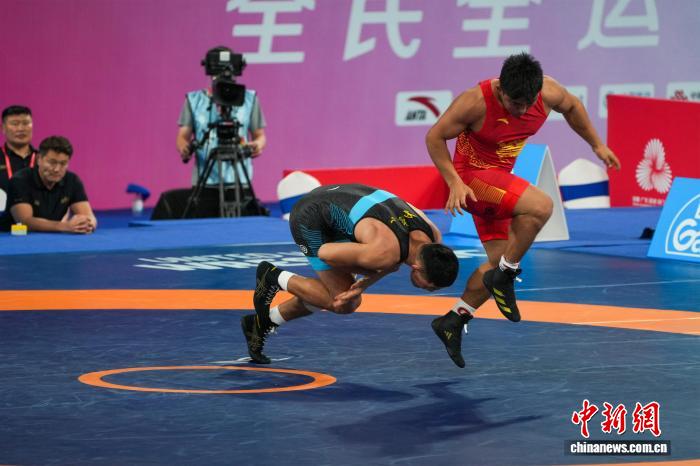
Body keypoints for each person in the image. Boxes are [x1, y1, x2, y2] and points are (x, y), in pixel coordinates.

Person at [425, 52, 621, 368]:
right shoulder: (475, 101)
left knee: (495, 260)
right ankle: (507, 273)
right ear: (501, 89)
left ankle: (454, 319)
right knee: (541, 206)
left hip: (497, 183)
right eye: (515, 103)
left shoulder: (548, 91)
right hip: (471, 181)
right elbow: (434, 136)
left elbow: (572, 107)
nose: (522, 110)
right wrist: (453, 183)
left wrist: (596, 144)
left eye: (528, 104)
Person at [241, 183, 460, 364]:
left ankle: (262, 323)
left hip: (344, 197)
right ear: (417, 268)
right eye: (430, 286)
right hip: (311, 218)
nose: (428, 290)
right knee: (342, 301)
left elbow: (392, 259)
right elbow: (326, 253)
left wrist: (364, 283)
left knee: (341, 289)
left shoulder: (433, 236)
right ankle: (272, 276)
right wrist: (365, 273)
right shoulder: (383, 253)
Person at [152, 46, 267, 220]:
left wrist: (257, 145)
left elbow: (260, 135)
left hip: (239, 182)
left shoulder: (250, 98)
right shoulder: (194, 100)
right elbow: (182, 135)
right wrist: (184, 147)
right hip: (205, 182)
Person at [0, 135, 97, 233]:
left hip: (53, 237)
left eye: (63, 163)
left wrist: (88, 224)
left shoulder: (72, 181)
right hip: (13, 237)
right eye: (52, 162)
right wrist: (65, 226)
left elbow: (89, 216)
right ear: (39, 159)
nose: (57, 169)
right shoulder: (19, 180)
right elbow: (25, 221)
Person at [1, 106, 38, 198]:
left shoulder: (43, 159)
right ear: (3, 128)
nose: (21, 129)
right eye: (15, 124)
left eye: (26, 123)